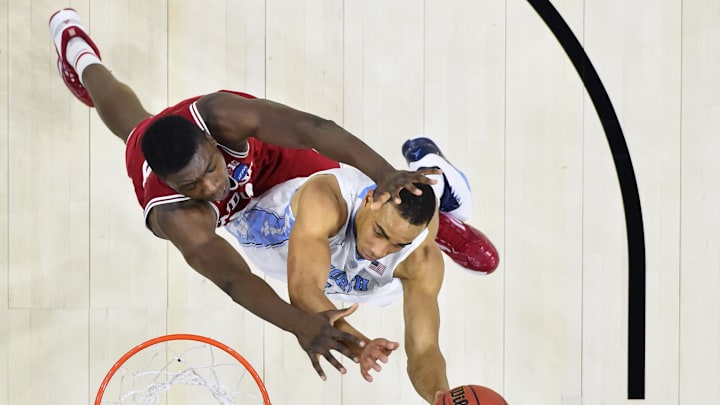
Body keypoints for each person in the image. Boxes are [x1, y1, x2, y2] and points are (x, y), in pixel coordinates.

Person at [49, 7, 442, 380]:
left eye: (209, 168)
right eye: (192, 186)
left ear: (209, 139)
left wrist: (385, 173)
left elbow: (315, 130)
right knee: (134, 128)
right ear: (171, 186)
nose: (211, 186)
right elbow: (234, 279)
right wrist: (299, 324)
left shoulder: (222, 115)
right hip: (244, 212)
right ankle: (81, 60)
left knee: (352, 198)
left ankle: (427, 219)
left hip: (274, 166)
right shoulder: (175, 215)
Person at [227, 158, 464, 403]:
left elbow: (424, 349)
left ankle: (435, 218)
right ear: (369, 199)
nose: (379, 250)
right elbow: (303, 290)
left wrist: (441, 397)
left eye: (398, 243)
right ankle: (440, 201)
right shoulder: (325, 200)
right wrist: (359, 345)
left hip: (374, 283)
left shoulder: (418, 259)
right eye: (379, 232)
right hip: (291, 238)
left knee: (421, 258)